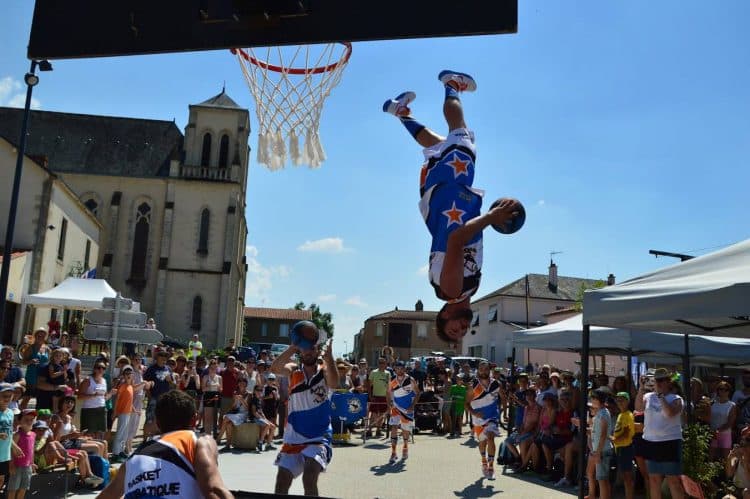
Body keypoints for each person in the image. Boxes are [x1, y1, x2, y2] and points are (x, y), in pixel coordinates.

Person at [383, 71, 520, 343]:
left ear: (444, 315)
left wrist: (492, 216)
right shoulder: (467, 291)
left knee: (463, 138)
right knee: (441, 146)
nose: (462, 330)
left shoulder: (451, 290)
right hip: (442, 202)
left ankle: (452, 85)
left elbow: (457, 240)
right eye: (463, 332)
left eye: (453, 329)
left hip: (450, 199)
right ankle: (399, 111)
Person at [98, 389, 233, 499]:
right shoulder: (200, 441)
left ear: (157, 423)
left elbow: (108, 495)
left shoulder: (134, 458)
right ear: (195, 420)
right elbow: (214, 490)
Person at [270, 322, 338, 497]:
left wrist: (329, 358)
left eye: (312, 349)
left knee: (309, 477)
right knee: (281, 481)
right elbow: (275, 368)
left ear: (317, 350)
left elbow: (335, 383)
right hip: (293, 437)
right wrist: (295, 345)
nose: (308, 352)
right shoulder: (293, 370)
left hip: (318, 437)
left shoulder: (324, 372)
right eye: (305, 349)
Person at [635, 368, 685, 499]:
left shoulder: (676, 398)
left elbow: (669, 414)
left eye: (663, 380)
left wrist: (660, 395)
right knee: (654, 481)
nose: (660, 382)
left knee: (673, 481)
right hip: (651, 442)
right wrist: (641, 388)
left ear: (669, 382)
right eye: (658, 380)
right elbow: (638, 408)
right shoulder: (647, 396)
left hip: (670, 443)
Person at [465, 361, 501, 479]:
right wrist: (474, 413)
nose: (483, 371)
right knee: (482, 442)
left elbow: (503, 397)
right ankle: (484, 461)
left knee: (490, 437)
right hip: (478, 419)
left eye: (486, 369)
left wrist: (503, 410)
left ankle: (491, 467)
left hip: (492, 417)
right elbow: (466, 404)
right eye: (481, 369)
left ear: (489, 370)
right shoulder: (473, 385)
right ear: (478, 370)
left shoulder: (496, 384)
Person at [386, 360, 419, 464]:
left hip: (407, 409)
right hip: (395, 407)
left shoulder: (410, 380)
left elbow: (418, 393)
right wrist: (389, 404)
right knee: (394, 427)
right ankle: (393, 452)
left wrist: (412, 406)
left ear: (404, 368)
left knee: (405, 430)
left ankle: (405, 448)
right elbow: (387, 393)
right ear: (394, 369)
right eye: (397, 368)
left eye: (401, 368)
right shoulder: (392, 380)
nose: (399, 370)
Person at [587, 389, 613, 499]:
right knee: (602, 479)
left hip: (602, 450)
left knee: (602, 480)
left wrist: (597, 453)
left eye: (594, 398)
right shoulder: (601, 412)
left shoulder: (603, 413)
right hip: (600, 450)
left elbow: (603, 435)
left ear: (599, 400)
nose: (592, 400)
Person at [142, 350, 175, 438]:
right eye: (162, 356)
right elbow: (145, 383)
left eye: (165, 357)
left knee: (162, 420)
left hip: (164, 399)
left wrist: (170, 381)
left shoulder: (168, 369)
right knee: (149, 420)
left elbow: (173, 385)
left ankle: (157, 440)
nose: (164, 359)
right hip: (154, 397)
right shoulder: (151, 368)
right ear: (157, 358)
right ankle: (145, 440)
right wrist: (149, 396)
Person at [77, 362, 110, 440]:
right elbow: (79, 396)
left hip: (101, 409)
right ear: (94, 369)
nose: (101, 370)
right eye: (99, 368)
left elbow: (104, 397)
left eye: (103, 368)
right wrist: (93, 395)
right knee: (89, 434)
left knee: (101, 433)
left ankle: (98, 451)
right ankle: (89, 451)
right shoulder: (88, 380)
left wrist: (111, 393)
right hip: (89, 410)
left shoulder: (104, 380)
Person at [8, 409, 36, 499]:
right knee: (13, 489)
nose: (29, 422)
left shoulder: (33, 434)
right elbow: (11, 451)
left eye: (31, 419)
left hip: (27, 467)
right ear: (20, 421)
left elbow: (32, 450)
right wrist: (11, 465)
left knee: (23, 488)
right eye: (26, 419)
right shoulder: (17, 435)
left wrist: (32, 463)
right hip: (17, 466)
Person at [613, 391, 636, 499]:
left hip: (625, 448)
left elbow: (626, 434)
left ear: (627, 401)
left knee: (627, 477)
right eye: (618, 400)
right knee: (624, 476)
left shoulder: (628, 415)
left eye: (622, 400)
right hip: (620, 448)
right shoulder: (620, 414)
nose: (619, 402)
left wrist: (613, 439)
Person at [217, 377, 250, 450]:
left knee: (226, 418)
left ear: (246, 384)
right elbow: (233, 407)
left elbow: (248, 408)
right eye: (240, 382)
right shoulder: (235, 393)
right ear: (238, 384)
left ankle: (218, 439)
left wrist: (242, 400)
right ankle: (228, 445)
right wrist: (235, 401)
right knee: (228, 424)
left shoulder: (249, 394)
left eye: (243, 383)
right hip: (236, 413)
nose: (241, 384)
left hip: (244, 414)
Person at [20, 328, 50, 410]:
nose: (40, 337)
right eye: (39, 335)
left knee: (40, 398)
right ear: (35, 336)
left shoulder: (47, 349)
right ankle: (20, 415)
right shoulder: (30, 348)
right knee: (27, 397)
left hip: (42, 376)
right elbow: (23, 361)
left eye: (43, 336)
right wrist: (30, 361)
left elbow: (49, 361)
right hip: (32, 375)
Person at [711, 381, 738, 459]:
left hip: (725, 434)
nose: (723, 391)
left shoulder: (731, 405)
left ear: (729, 391)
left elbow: (730, 422)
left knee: (725, 459)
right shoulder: (712, 403)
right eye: (720, 389)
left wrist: (718, 431)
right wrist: (712, 431)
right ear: (718, 390)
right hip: (712, 434)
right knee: (711, 458)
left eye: (726, 389)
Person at [367, 357, 391, 438]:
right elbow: (369, 385)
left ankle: (378, 430)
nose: (381, 364)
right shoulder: (373, 372)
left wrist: (389, 397)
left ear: (386, 364)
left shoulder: (388, 373)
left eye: (383, 363)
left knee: (382, 414)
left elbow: (389, 386)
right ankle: (369, 430)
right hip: (375, 396)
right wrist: (370, 396)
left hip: (384, 397)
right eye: (380, 363)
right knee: (373, 414)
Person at [249, 384, 277, 452]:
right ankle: (260, 442)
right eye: (258, 390)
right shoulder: (253, 399)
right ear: (254, 391)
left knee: (273, 426)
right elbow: (254, 412)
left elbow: (261, 411)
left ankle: (268, 444)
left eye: (261, 390)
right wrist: (263, 419)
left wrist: (264, 418)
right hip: (254, 418)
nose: (259, 391)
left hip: (260, 418)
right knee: (267, 425)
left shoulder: (259, 399)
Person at [725, 426, 750, 499]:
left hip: (747, 492)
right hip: (736, 489)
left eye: (747, 445)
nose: (744, 447)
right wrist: (730, 458)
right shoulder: (738, 455)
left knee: (747, 493)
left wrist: (745, 463)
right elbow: (729, 474)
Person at [0, 384, 17, 492]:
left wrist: (15, 447)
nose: (7, 398)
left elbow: (10, 433)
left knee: (1, 479)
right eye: (4, 396)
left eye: (9, 396)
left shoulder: (11, 413)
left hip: (5, 454)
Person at [201, 359, 223, 438]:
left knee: (215, 417)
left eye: (215, 368)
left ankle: (214, 434)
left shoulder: (219, 377)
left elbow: (221, 389)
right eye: (211, 368)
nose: (213, 370)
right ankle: (207, 435)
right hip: (208, 396)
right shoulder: (205, 377)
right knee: (207, 417)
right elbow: (203, 389)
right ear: (209, 368)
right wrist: (210, 386)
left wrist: (218, 387)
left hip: (216, 396)